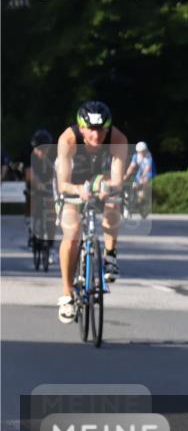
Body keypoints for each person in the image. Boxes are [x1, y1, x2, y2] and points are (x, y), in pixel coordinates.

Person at [54, 101, 129, 323]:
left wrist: (108, 188)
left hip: (100, 177)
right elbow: (62, 185)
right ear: (81, 127)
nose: (96, 136)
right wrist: (77, 190)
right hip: (72, 182)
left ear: (108, 128)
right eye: (91, 130)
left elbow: (117, 180)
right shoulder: (67, 140)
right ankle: (67, 294)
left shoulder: (118, 139)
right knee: (72, 233)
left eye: (101, 130)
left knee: (114, 202)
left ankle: (110, 255)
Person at [24, 129, 57, 252]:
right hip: (34, 184)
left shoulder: (54, 154)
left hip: (49, 183)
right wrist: (38, 184)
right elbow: (29, 174)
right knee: (32, 198)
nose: (41, 152)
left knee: (52, 212)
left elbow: (58, 171)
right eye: (38, 149)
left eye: (44, 149)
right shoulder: (29, 154)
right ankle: (31, 225)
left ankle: (51, 242)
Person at [124, 140, 155, 216]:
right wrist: (126, 175)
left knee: (143, 182)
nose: (141, 153)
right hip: (140, 173)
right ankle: (135, 199)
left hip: (149, 173)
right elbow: (131, 167)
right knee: (134, 185)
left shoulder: (149, 156)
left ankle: (143, 199)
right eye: (140, 151)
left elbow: (147, 169)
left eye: (143, 151)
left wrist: (143, 177)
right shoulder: (136, 156)